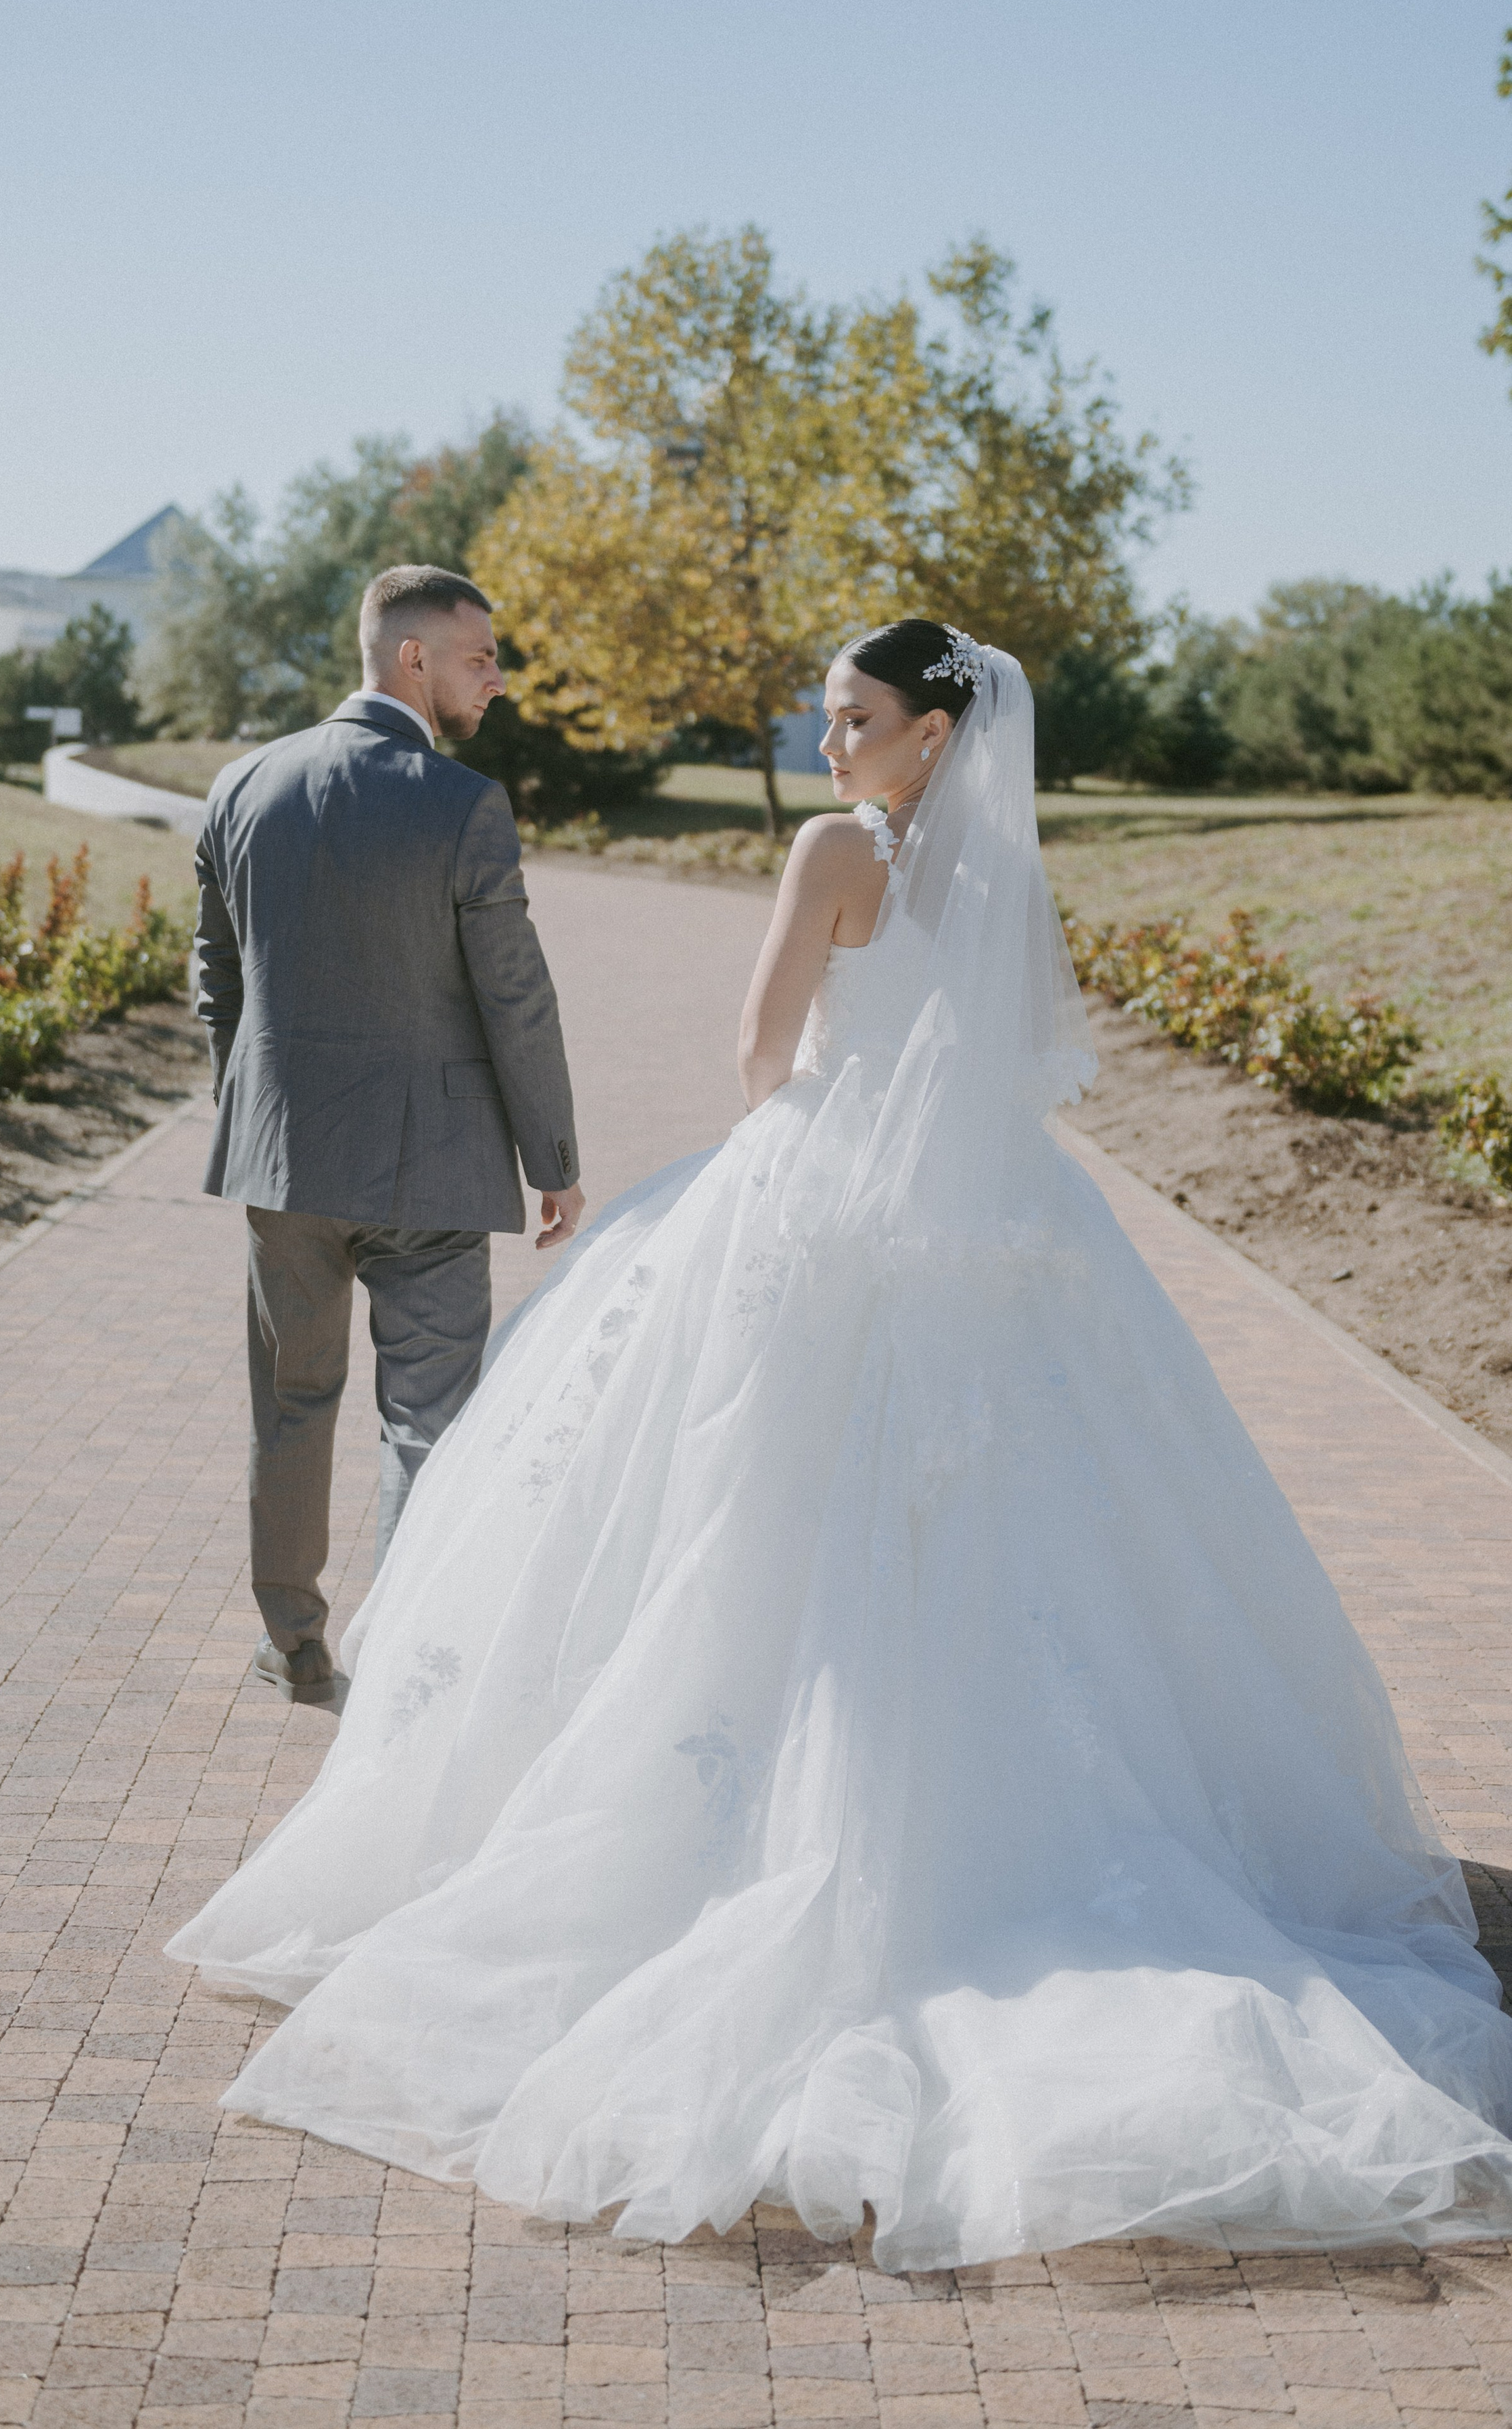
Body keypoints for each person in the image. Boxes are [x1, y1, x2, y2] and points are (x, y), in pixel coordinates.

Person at [170, 621, 1512, 2267]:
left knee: (727, 1509)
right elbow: (1015, 1064)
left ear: (932, 734)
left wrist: (801, 1134)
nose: (826, 742)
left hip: (816, 1188)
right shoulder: (1002, 873)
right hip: (992, 1217)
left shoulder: (830, 850)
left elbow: (759, 1050)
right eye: (823, 716)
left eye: (852, 716)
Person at [193, 564, 584, 1710]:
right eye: (481, 657)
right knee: (428, 1418)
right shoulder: (463, 804)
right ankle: (412, 1657)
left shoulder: (241, 786)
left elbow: (219, 982)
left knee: (291, 1402)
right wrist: (553, 1160)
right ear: (411, 656)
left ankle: (293, 1642)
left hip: (285, 1164)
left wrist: (257, 1110)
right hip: (434, 1171)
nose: (497, 680)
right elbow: (517, 995)